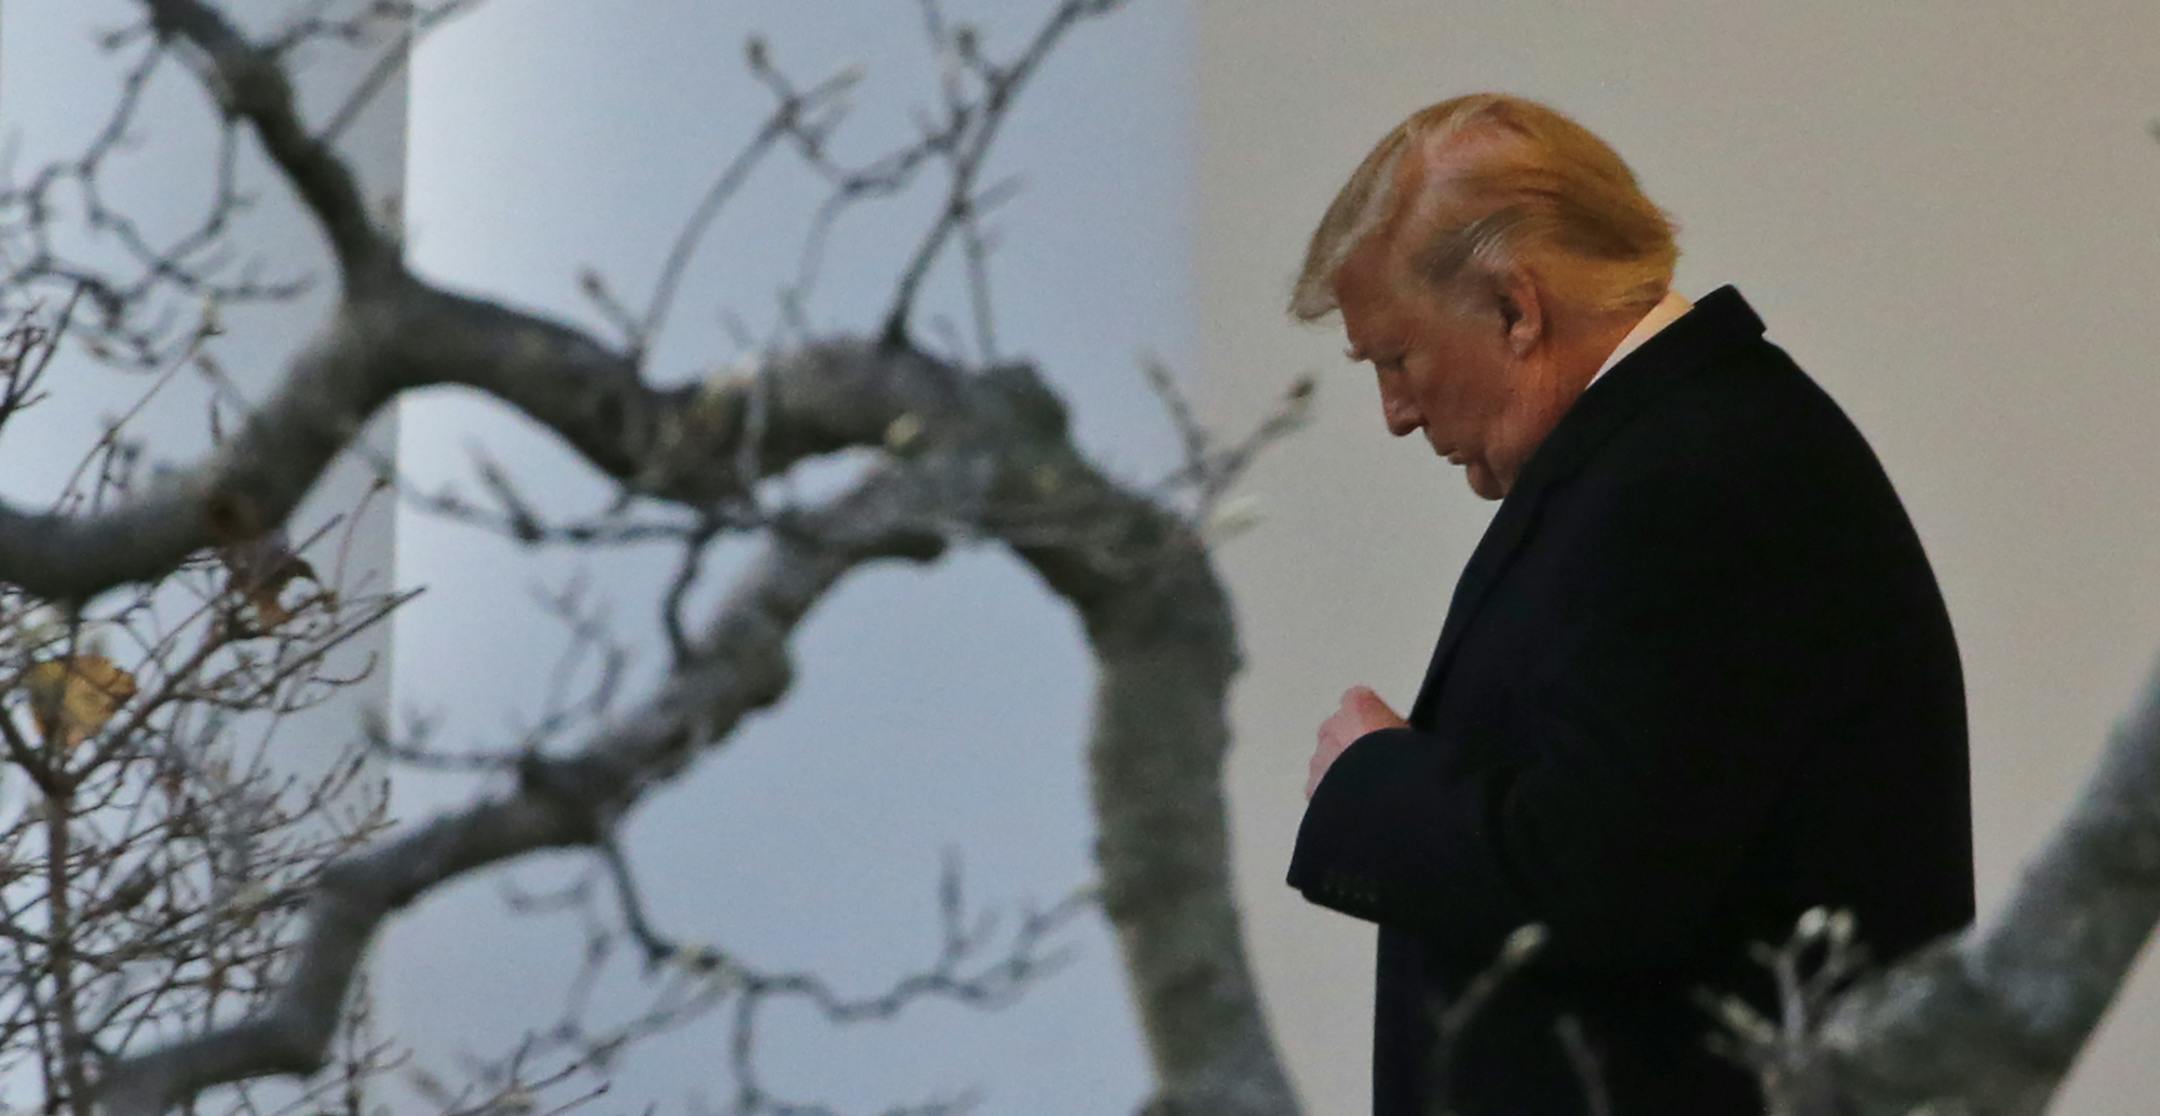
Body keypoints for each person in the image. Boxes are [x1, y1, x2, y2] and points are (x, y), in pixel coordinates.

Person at [1282, 93, 1974, 1116]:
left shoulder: (1694, 477)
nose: (1395, 413)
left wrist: (1375, 783)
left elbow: (1598, 882)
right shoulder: (1688, 446)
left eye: (1398, 358)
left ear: (1517, 309)